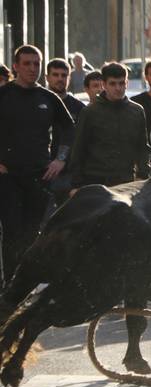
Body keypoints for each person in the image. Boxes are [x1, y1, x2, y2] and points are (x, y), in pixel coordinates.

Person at [0, 45, 74, 288]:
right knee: (12, 232)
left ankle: (24, 285)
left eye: (36, 63)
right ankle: (9, 286)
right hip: (8, 177)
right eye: (27, 63)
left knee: (32, 234)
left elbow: (69, 129)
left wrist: (60, 159)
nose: (32, 68)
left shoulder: (47, 98)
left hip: (39, 176)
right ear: (15, 66)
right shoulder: (4, 95)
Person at [69, 62, 150, 190]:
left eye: (121, 83)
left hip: (126, 181)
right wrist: (76, 184)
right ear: (104, 84)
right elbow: (79, 148)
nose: (118, 88)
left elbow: (142, 147)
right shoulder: (90, 112)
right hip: (95, 180)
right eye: (113, 83)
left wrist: (142, 175)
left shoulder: (137, 111)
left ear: (126, 83)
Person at [45, 58, 85, 207]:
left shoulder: (79, 107)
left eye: (64, 75)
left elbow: (82, 141)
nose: (60, 79)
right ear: (47, 77)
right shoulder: (39, 101)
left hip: (69, 174)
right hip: (41, 171)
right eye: (55, 75)